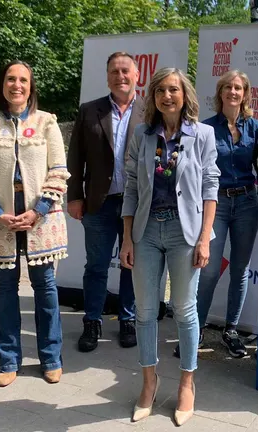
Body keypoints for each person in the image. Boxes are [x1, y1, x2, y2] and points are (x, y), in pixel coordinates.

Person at [119, 68, 219, 426]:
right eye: (160, 90)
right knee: (145, 312)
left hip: (185, 233)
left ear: (184, 94)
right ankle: (149, 383)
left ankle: (186, 384)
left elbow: (211, 188)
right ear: (154, 97)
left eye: (173, 89)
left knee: (184, 310)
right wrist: (128, 237)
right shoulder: (142, 136)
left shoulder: (203, 134)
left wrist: (205, 236)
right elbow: (130, 187)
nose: (167, 96)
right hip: (146, 231)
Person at [0, 60, 70, 387]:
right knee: (5, 290)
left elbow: (58, 170)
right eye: (11, 79)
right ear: (3, 84)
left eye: (23, 80)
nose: (16, 85)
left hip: (40, 220)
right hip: (2, 222)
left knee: (46, 288)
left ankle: (51, 357)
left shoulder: (46, 123)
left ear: (31, 86)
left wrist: (38, 209)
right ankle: (8, 359)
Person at [177, 70, 258, 359]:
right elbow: (196, 171)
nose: (233, 92)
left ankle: (231, 330)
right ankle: (197, 328)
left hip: (246, 203)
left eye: (238, 87)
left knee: (240, 269)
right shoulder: (205, 128)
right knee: (208, 270)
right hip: (214, 204)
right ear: (220, 93)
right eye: (228, 87)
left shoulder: (255, 128)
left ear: (245, 94)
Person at [66, 52, 145, 351]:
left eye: (125, 71)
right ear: (107, 76)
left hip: (136, 204)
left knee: (131, 264)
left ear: (137, 75)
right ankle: (93, 320)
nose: (120, 76)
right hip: (98, 203)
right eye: (114, 71)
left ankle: (127, 319)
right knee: (96, 266)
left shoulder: (151, 110)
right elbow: (76, 156)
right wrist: (74, 196)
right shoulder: (90, 110)